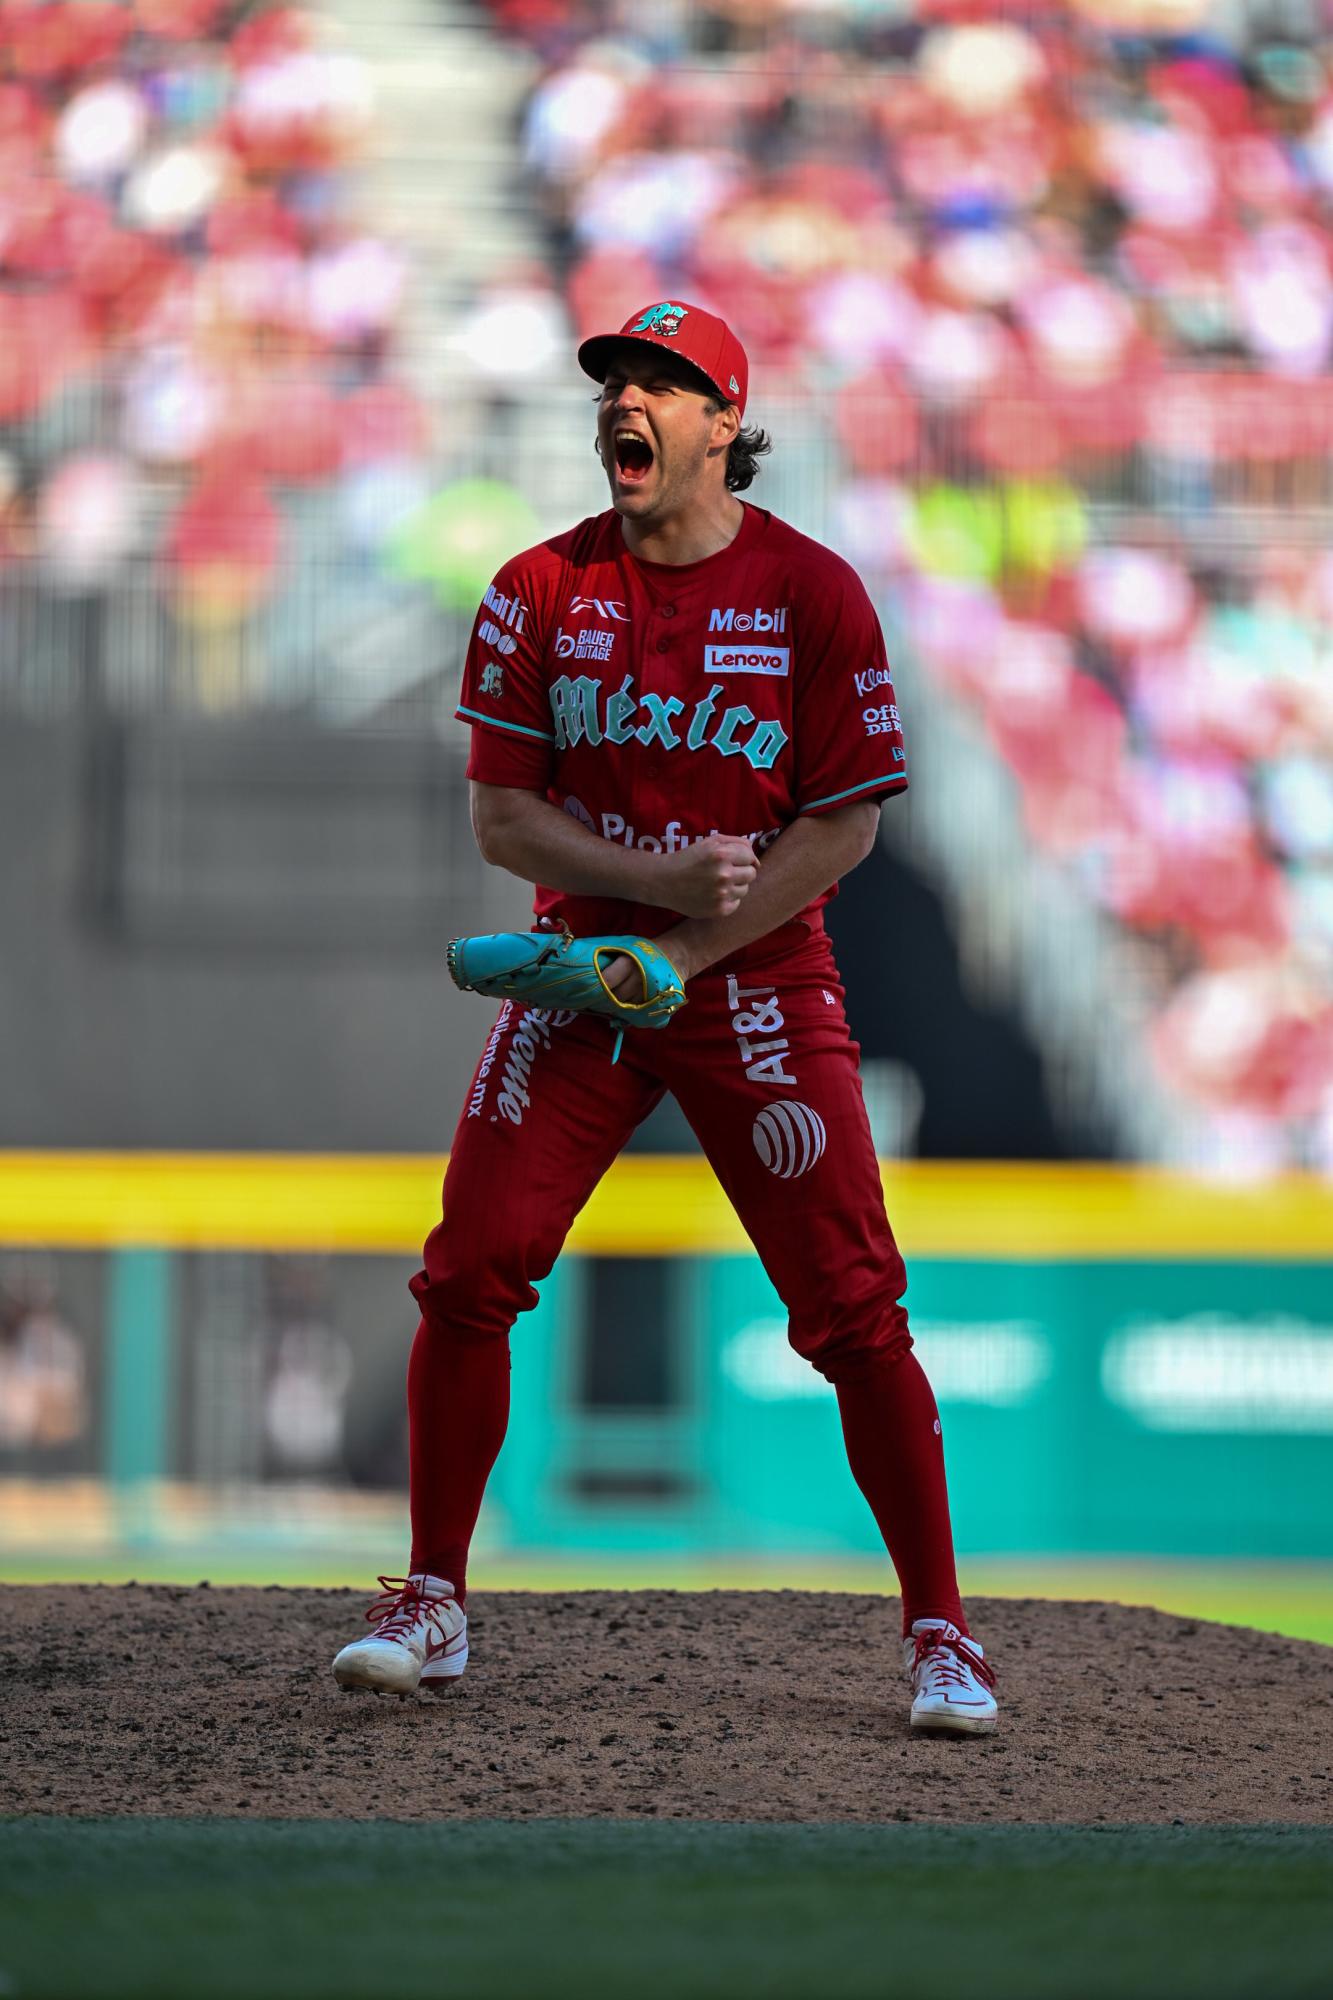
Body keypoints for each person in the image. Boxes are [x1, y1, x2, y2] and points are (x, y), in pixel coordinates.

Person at [332, 301, 998, 1734]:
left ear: (721, 423)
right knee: (469, 1270)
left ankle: (942, 1632)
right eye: (613, 383)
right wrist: (641, 895)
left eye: (659, 383)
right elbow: (504, 818)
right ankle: (432, 1596)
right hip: (582, 979)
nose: (623, 402)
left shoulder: (811, 592)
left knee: (851, 1308)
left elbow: (842, 831)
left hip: (751, 980)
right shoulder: (536, 587)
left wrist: (689, 947)